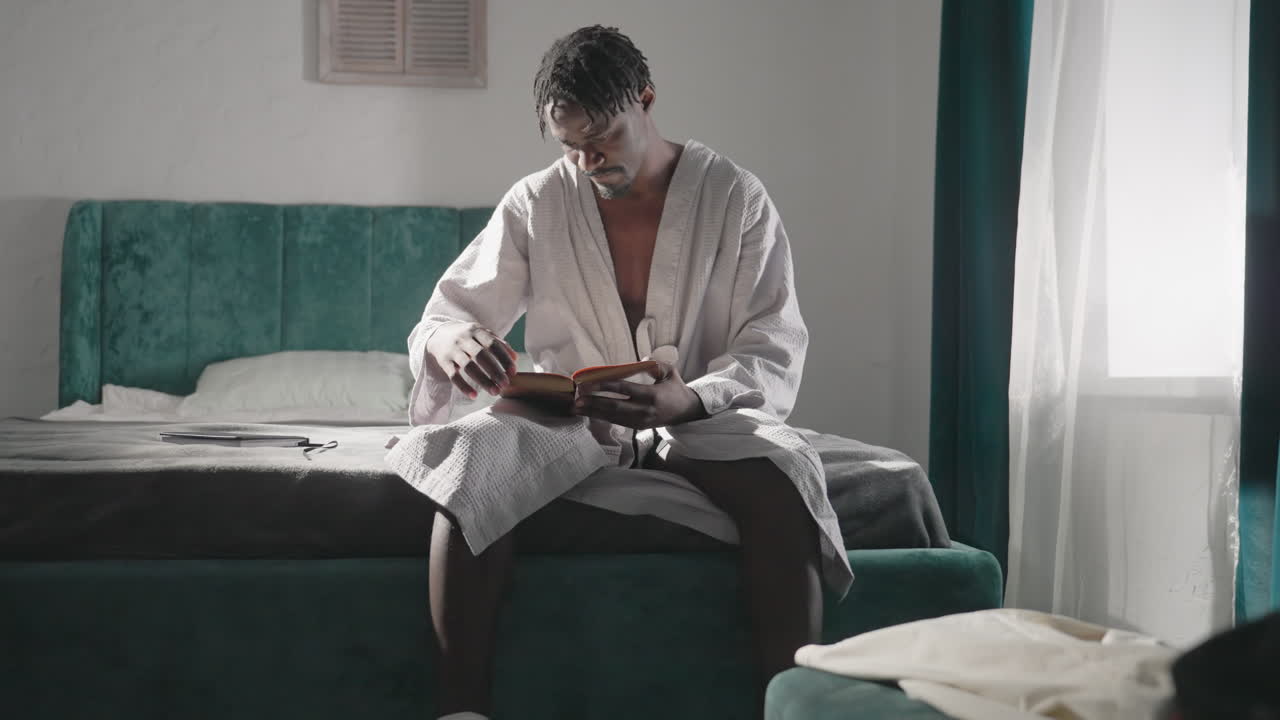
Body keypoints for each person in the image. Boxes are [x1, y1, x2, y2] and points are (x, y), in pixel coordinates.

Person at [394, 25, 852, 720]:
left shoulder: (734, 197)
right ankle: (463, 709)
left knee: (786, 477)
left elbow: (771, 338)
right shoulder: (537, 201)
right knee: (469, 466)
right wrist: (454, 339)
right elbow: (447, 313)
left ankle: (789, 708)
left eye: (601, 137)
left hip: (703, 417)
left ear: (646, 98)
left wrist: (691, 398)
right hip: (569, 419)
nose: (585, 161)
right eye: (569, 145)